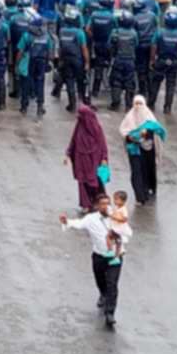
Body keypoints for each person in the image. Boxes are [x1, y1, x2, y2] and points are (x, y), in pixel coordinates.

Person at [59, 192, 122, 330]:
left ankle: (110, 313)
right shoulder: (90, 219)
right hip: (99, 256)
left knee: (112, 284)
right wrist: (66, 221)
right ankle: (103, 294)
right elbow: (78, 224)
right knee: (100, 280)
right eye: (103, 204)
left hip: (115, 257)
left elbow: (126, 230)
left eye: (107, 203)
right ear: (97, 206)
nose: (106, 207)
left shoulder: (116, 216)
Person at [63, 102, 110, 213]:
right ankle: (86, 204)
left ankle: (99, 202)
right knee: (82, 181)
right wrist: (68, 154)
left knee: (95, 180)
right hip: (80, 158)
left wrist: (104, 158)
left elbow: (103, 144)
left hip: (94, 159)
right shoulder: (79, 126)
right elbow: (73, 140)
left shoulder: (96, 127)